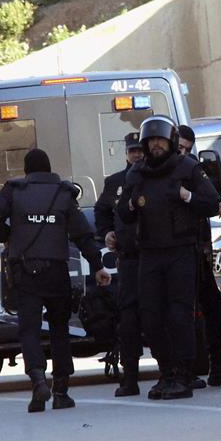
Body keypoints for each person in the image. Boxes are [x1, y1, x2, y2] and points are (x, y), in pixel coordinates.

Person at [0, 148, 112, 413]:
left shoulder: (14, 190)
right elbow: (82, 236)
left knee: (29, 329)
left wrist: (8, 235)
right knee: (59, 330)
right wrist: (98, 266)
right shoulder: (63, 193)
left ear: (27, 171)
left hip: (25, 272)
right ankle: (61, 390)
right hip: (56, 272)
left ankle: (38, 381)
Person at [117, 115, 220, 400]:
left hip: (180, 251)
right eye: (151, 141)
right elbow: (123, 213)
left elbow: (212, 203)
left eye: (160, 140)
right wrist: (130, 203)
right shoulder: (137, 173)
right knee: (151, 317)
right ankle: (166, 372)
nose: (156, 146)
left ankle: (184, 375)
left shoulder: (188, 168)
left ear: (171, 142)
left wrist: (188, 197)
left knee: (179, 315)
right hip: (149, 254)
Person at [176, 124, 221, 387]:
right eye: (178, 147)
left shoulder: (192, 169)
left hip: (198, 253)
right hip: (174, 256)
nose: (182, 153)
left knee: (215, 312)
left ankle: (217, 366)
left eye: (186, 148)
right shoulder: (160, 173)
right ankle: (181, 371)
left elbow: (212, 200)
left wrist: (195, 196)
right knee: (179, 315)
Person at [94, 132, 145, 397]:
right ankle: (130, 376)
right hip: (128, 261)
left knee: (163, 316)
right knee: (129, 319)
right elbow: (101, 211)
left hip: (154, 258)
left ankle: (175, 371)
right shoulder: (115, 182)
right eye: (132, 150)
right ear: (126, 152)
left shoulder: (153, 176)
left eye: (140, 150)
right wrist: (106, 232)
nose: (136, 154)